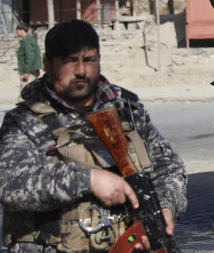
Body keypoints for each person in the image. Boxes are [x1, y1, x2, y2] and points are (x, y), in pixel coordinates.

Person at [0, 19, 187, 253]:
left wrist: (165, 209)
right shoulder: (24, 121)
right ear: (47, 64)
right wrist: (88, 180)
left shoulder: (128, 112)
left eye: (89, 60)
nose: (81, 70)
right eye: (69, 61)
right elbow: (10, 184)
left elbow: (168, 167)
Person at [16, 23, 40, 96]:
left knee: (24, 94)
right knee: (31, 93)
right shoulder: (27, 40)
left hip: (29, 72)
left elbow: (30, 57)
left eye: (17, 31)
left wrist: (27, 72)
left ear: (21, 30)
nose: (16, 33)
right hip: (31, 70)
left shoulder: (27, 41)